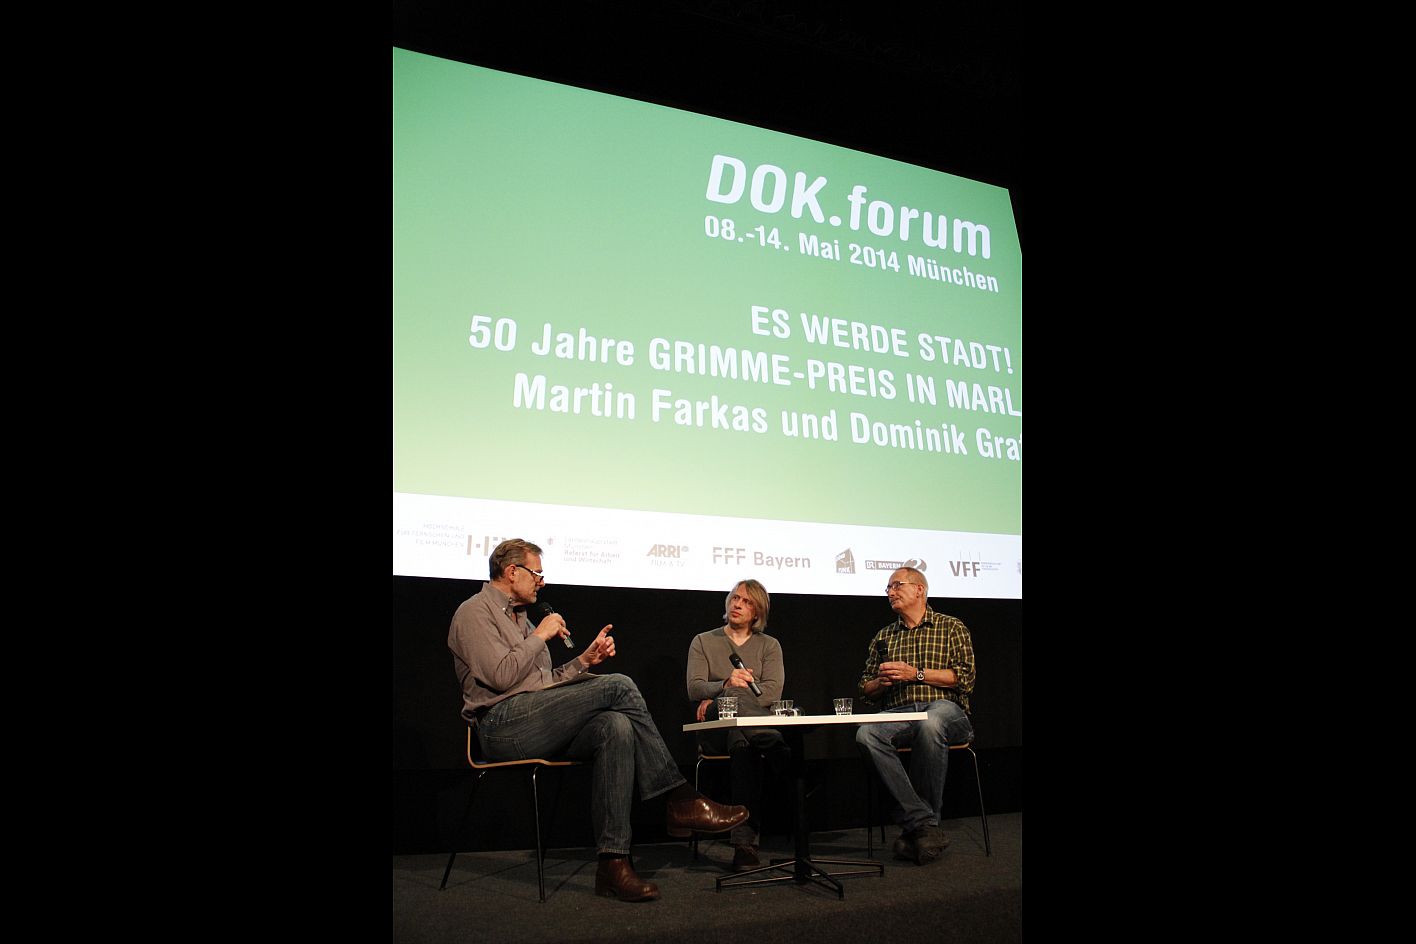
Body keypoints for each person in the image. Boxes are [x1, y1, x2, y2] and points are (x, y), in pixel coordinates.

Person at [448, 538, 748, 902]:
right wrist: (541, 635)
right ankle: (678, 797)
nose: (542, 581)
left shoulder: (522, 620)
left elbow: (544, 683)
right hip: (500, 726)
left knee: (615, 727)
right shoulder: (473, 612)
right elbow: (501, 676)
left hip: (536, 718)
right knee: (619, 685)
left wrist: (584, 662)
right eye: (536, 573)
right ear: (512, 572)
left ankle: (613, 863)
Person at [855, 566, 976, 866]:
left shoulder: (951, 627)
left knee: (930, 723)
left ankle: (918, 826)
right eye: (888, 588)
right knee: (866, 733)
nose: (890, 593)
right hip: (898, 712)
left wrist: (916, 674)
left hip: (945, 709)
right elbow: (865, 689)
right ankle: (924, 825)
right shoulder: (884, 636)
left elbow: (964, 678)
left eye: (896, 585)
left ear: (920, 589)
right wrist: (880, 682)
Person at [686, 579, 789, 872]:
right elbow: (694, 688)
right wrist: (724, 686)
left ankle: (744, 845)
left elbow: (773, 692)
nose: (737, 604)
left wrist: (727, 693)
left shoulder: (769, 645)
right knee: (734, 696)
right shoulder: (703, 641)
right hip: (715, 727)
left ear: (757, 611)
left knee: (742, 737)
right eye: (734, 598)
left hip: (746, 728)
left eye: (746, 601)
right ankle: (778, 749)